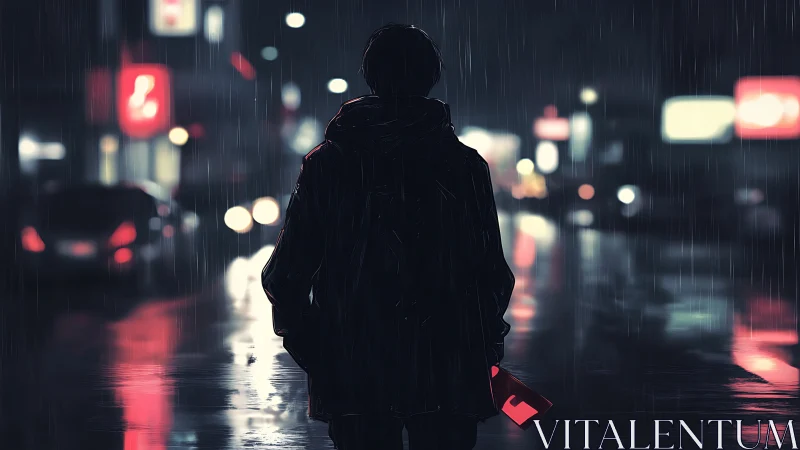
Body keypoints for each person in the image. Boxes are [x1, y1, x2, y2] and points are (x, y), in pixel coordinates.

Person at [262, 23, 515, 450]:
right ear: (430, 76)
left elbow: (287, 273)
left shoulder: (329, 166)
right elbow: (491, 273)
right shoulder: (464, 167)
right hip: (447, 368)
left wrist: (315, 346)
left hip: (356, 366)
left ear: (371, 76)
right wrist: (481, 344)